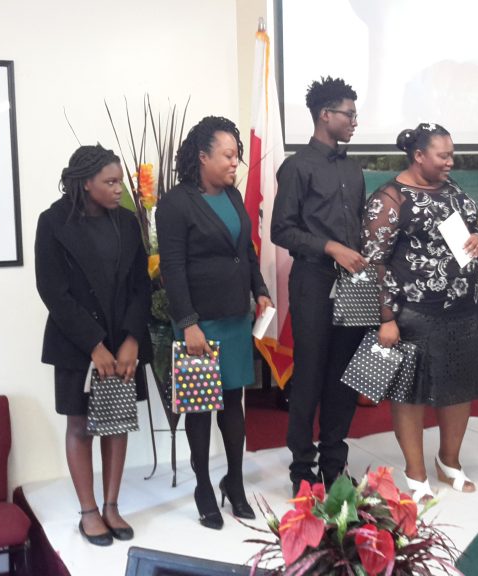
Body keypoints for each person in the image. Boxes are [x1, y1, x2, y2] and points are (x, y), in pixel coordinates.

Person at [156, 116, 272, 529]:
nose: (235, 162)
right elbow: (172, 268)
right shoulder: (175, 204)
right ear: (203, 157)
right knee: (201, 409)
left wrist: (260, 289)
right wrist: (188, 323)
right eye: (228, 155)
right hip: (199, 323)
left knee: (233, 405)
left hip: (235, 317)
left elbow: (247, 251)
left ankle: (234, 483)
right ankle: (204, 487)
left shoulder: (234, 196)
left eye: (236, 155)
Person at [35, 144, 152, 546]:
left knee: (117, 422)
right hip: (76, 344)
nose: (119, 189)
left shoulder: (128, 221)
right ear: (86, 183)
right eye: (110, 182)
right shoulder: (53, 222)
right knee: (81, 425)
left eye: (120, 181)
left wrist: (132, 340)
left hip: (123, 343)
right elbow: (52, 290)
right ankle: (88, 511)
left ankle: (112, 506)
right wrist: (94, 346)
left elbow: (141, 286)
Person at [363, 123, 478, 498]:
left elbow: (469, 229)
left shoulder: (451, 189)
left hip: (463, 308)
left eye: (452, 155)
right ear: (418, 156)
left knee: (459, 387)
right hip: (413, 312)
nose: (451, 162)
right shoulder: (390, 198)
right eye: (443, 156)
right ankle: (415, 473)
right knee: (411, 393)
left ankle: (449, 462)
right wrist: (386, 318)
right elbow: (374, 263)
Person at [271, 77, 366, 495]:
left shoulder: (353, 168)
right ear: (325, 115)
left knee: (344, 377)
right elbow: (281, 230)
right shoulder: (297, 167)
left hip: (353, 283)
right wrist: (330, 247)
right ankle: (301, 469)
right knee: (309, 375)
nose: (355, 122)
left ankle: (334, 464)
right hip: (313, 279)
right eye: (349, 114)